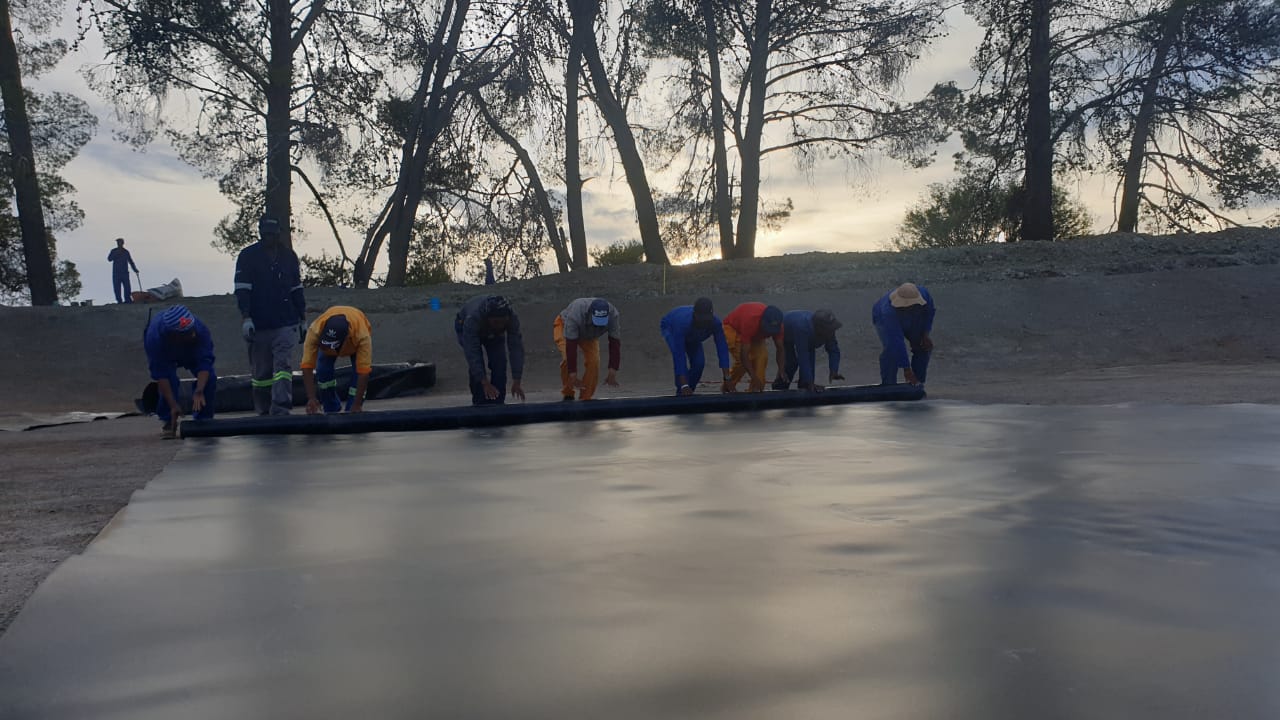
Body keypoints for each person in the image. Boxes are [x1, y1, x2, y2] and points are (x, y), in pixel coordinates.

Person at [234, 215, 306, 415]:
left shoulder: (289, 257)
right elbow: (242, 289)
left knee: (283, 366)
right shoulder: (247, 256)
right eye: (265, 235)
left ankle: (281, 407)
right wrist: (246, 318)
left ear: (279, 234)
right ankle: (263, 410)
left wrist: (302, 319)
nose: (269, 239)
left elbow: (296, 288)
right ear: (260, 233)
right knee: (262, 372)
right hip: (259, 324)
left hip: (285, 322)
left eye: (272, 235)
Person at [143, 305, 216, 438]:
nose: (193, 335)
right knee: (170, 381)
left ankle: (203, 421)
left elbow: (205, 363)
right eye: (188, 334)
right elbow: (162, 375)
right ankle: (168, 419)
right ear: (174, 335)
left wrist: (199, 390)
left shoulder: (200, 330)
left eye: (192, 331)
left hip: (190, 350)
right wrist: (173, 405)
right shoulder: (155, 338)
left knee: (209, 378)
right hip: (167, 350)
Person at [455, 295, 526, 405]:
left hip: (492, 333)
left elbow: (516, 348)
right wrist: (485, 382)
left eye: (503, 323)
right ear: (488, 318)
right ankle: (479, 402)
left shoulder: (512, 318)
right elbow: (473, 354)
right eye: (496, 322)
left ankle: (498, 401)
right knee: (476, 365)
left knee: (499, 362)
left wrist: (517, 380)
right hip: (463, 324)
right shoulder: (472, 320)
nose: (500, 326)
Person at [301, 306, 373, 414]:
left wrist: (357, 405)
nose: (328, 349)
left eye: (332, 346)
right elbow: (307, 366)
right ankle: (331, 407)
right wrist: (311, 398)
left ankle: (351, 408)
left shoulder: (362, 337)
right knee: (322, 371)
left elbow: (364, 373)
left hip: (354, 344)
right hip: (335, 339)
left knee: (358, 375)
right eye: (325, 344)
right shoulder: (315, 331)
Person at [660, 297, 731, 396]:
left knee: (699, 363)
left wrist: (727, 379)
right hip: (671, 326)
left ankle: (689, 391)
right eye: (701, 321)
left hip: (692, 334)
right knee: (681, 363)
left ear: (711, 315)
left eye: (706, 321)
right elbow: (679, 356)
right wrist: (684, 385)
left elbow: (722, 349)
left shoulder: (716, 323)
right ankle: (681, 391)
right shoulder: (682, 324)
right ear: (695, 315)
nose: (703, 324)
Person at [554, 297, 620, 401]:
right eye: (596, 320)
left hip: (589, 333)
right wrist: (573, 374)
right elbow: (571, 347)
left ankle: (586, 396)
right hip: (564, 326)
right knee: (567, 359)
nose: (599, 325)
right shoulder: (576, 314)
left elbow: (614, 343)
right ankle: (568, 393)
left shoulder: (613, 315)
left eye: (602, 322)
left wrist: (613, 370)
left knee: (594, 361)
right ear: (589, 313)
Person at [873, 282, 936, 386]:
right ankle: (889, 385)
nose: (907, 307)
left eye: (910, 305)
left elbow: (929, 313)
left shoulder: (925, 295)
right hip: (883, 317)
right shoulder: (887, 312)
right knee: (891, 351)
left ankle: (917, 383)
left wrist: (925, 334)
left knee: (923, 346)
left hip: (915, 315)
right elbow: (896, 342)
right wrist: (906, 369)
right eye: (905, 306)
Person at [774, 309, 844, 392]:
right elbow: (803, 357)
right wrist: (810, 382)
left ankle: (805, 385)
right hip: (786, 330)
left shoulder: (829, 332)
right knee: (791, 363)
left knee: (810, 361)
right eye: (830, 329)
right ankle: (779, 386)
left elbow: (834, 350)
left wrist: (834, 371)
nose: (833, 332)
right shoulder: (802, 329)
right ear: (820, 328)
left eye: (833, 328)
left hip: (805, 332)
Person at [722, 302, 785, 392]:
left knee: (762, 357)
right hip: (733, 328)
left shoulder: (779, 325)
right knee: (741, 363)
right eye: (768, 329)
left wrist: (781, 370)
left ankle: (756, 389)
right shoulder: (750, 322)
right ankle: (728, 387)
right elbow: (744, 356)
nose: (769, 332)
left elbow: (780, 348)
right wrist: (753, 377)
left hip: (756, 334)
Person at [107, 238, 139, 304]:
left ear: (123, 243)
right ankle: (119, 301)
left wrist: (135, 269)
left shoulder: (126, 252)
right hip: (116, 273)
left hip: (125, 273)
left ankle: (127, 300)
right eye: (118, 242)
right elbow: (109, 259)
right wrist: (116, 253)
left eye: (120, 242)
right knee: (117, 288)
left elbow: (130, 261)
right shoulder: (114, 251)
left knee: (127, 287)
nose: (118, 244)